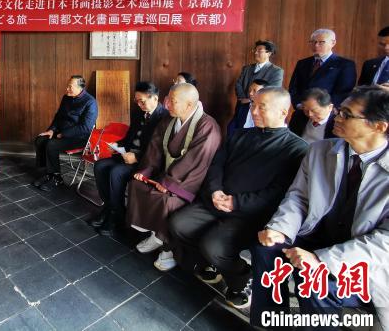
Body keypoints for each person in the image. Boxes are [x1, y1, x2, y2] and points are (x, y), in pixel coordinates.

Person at [252, 86, 389, 330]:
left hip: (361, 260)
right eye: (339, 111)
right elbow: (298, 197)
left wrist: (321, 259)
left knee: (316, 282)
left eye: (347, 115)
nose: (337, 117)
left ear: (378, 126)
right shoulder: (320, 150)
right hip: (315, 235)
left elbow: (384, 243)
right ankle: (271, 323)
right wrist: (280, 228)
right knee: (266, 247)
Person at [169, 87, 308, 310]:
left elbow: (279, 192)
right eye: (253, 105)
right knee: (178, 224)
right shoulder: (240, 134)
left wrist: (237, 202)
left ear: (284, 112)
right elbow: (217, 165)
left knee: (214, 247)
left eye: (262, 107)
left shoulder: (297, 148)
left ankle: (241, 278)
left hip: (248, 214)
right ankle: (211, 263)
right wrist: (215, 191)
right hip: (216, 201)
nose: (254, 111)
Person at [125, 83, 221, 271]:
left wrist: (169, 183)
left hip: (189, 182)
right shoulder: (169, 120)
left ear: (189, 104)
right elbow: (155, 148)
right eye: (167, 99)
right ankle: (155, 235)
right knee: (137, 185)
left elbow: (196, 161)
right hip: (165, 175)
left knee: (167, 201)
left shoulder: (208, 126)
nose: (166, 104)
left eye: (173, 101)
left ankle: (168, 249)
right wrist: (146, 171)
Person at [90, 81, 169, 236]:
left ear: (155, 98)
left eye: (142, 101)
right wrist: (117, 145)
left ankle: (117, 217)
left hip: (146, 162)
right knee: (99, 165)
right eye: (136, 101)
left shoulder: (164, 118)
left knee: (116, 172)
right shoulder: (138, 112)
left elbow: (160, 150)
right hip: (127, 155)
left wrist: (137, 157)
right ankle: (110, 207)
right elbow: (129, 137)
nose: (139, 104)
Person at [33, 75, 98, 192]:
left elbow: (86, 128)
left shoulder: (90, 102)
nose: (67, 89)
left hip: (80, 137)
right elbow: (59, 116)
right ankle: (48, 173)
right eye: (67, 86)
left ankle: (57, 178)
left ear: (80, 88)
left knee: (51, 144)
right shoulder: (66, 97)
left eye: (70, 86)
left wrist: (63, 134)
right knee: (40, 140)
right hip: (61, 131)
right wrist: (52, 130)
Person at [289, 29, 356, 111]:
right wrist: (299, 104)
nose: (316, 45)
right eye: (313, 42)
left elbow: (344, 91)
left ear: (333, 43)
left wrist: (325, 109)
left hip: (327, 112)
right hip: (302, 111)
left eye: (321, 42)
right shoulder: (302, 63)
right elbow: (293, 88)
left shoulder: (344, 64)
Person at [231, 40, 283, 133]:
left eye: (259, 51)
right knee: (235, 130)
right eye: (255, 50)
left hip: (260, 109)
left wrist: (250, 100)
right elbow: (238, 84)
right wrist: (242, 98)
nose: (255, 53)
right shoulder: (247, 68)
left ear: (269, 53)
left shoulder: (276, 71)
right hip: (242, 106)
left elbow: (273, 91)